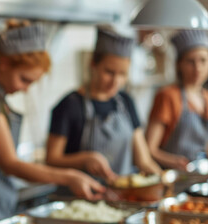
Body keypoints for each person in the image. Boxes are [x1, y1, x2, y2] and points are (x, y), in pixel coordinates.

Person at [0, 19, 105, 223]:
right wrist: (69, 176)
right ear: (4, 63)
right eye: (24, 79)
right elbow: (10, 163)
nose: (26, 88)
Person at [46, 28, 162, 191]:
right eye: (109, 72)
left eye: (122, 74)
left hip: (123, 196)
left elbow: (143, 160)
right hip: (80, 200)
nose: (115, 81)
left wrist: (162, 181)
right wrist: (85, 159)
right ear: (93, 64)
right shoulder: (69, 105)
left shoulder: (126, 102)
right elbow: (51, 159)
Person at [145, 30, 208, 172]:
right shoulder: (168, 96)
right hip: (167, 176)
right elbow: (149, 149)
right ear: (179, 64)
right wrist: (173, 161)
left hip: (198, 178)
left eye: (203, 60)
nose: (198, 68)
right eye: (190, 61)